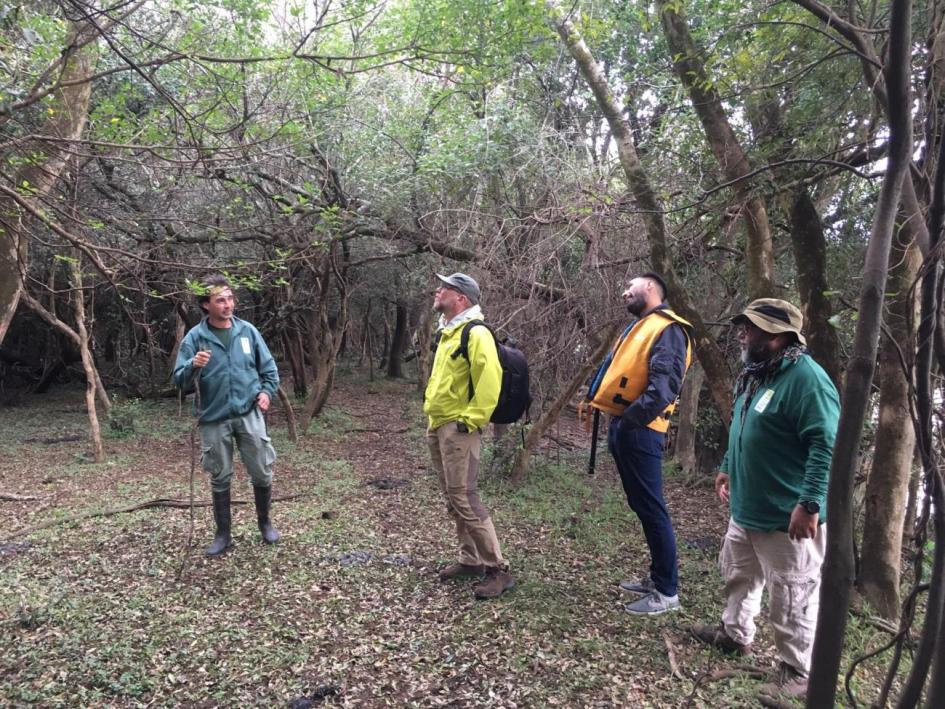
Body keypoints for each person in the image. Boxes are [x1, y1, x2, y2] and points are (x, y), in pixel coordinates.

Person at [690, 298, 839, 703]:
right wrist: (726, 465)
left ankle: (798, 670)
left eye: (751, 328)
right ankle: (735, 634)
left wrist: (809, 503)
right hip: (748, 507)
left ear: (777, 337)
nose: (743, 333)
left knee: (792, 593)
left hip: (786, 516)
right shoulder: (757, 374)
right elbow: (741, 424)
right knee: (739, 575)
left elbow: (825, 443)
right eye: (744, 326)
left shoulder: (806, 379)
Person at [585, 273, 692, 615]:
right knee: (642, 505)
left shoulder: (669, 328)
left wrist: (631, 421)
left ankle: (666, 592)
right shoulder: (645, 326)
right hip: (628, 425)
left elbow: (664, 387)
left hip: (642, 429)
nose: (623, 292)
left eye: (629, 286)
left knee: (651, 507)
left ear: (650, 287)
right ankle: (658, 577)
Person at [173, 275, 281, 556]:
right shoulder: (195, 338)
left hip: (249, 412)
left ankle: (265, 523)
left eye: (230, 298)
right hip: (214, 416)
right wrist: (192, 366)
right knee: (220, 475)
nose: (228, 304)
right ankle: (223, 535)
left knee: (261, 468)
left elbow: (269, 370)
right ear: (205, 305)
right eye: (220, 300)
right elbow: (179, 381)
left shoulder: (248, 332)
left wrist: (267, 392)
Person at [424, 272, 514, 599]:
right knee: (453, 496)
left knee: (464, 496)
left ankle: (498, 569)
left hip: (459, 429)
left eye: (444, 288)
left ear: (461, 298)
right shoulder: (450, 332)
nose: (438, 290)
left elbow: (490, 382)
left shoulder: (476, 333)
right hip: (439, 424)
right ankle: (470, 559)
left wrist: (469, 420)